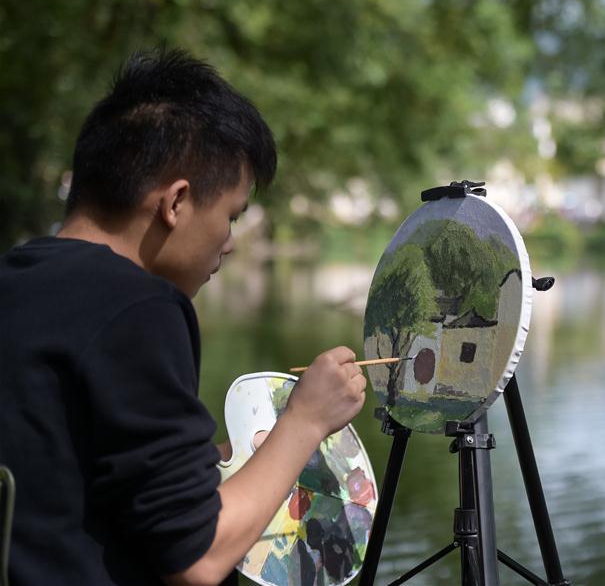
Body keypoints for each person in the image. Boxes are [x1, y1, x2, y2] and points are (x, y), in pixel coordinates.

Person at [0, 49, 366, 585]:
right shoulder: (137, 307)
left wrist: (225, 458)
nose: (231, 243)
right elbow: (196, 557)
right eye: (231, 216)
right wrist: (305, 420)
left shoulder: (17, 278)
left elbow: (72, 471)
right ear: (176, 203)